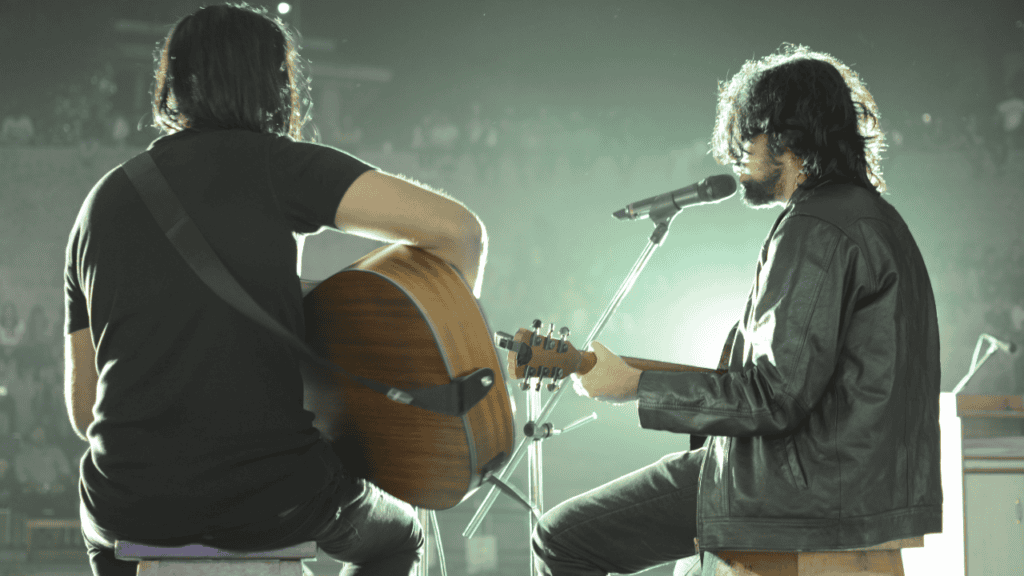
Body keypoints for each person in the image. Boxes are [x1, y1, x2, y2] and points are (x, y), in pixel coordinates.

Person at [63, 4, 487, 576]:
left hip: (124, 508)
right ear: (275, 84)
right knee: (399, 538)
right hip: (269, 500)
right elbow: (459, 232)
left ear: (174, 84)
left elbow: (87, 412)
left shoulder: (98, 204)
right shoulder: (276, 165)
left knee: (108, 518)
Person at [531, 44, 942, 575]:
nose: (736, 153)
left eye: (748, 135)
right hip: (854, 485)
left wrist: (635, 386)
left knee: (561, 538)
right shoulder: (878, 220)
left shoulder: (814, 226)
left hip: (796, 491)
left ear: (787, 137)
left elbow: (775, 396)